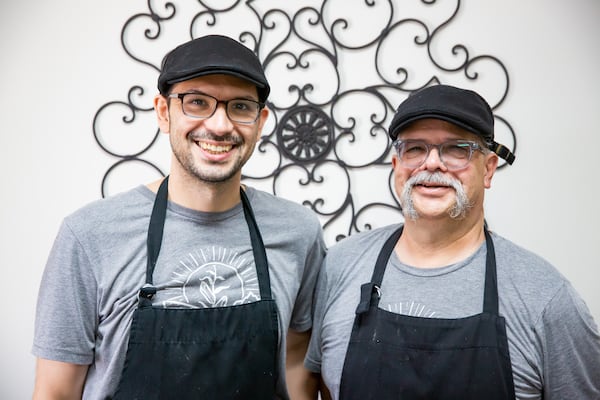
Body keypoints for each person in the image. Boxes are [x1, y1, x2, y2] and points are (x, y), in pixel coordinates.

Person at [32, 34, 326, 400]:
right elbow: (55, 393)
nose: (220, 125)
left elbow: (296, 363)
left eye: (240, 106)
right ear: (163, 111)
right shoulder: (90, 235)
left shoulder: (299, 231)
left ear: (260, 120)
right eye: (197, 102)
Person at [305, 84, 600, 399]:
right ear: (396, 167)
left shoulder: (545, 297)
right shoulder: (340, 266)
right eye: (415, 148)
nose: (431, 163)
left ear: (488, 169)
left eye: (457, 148)